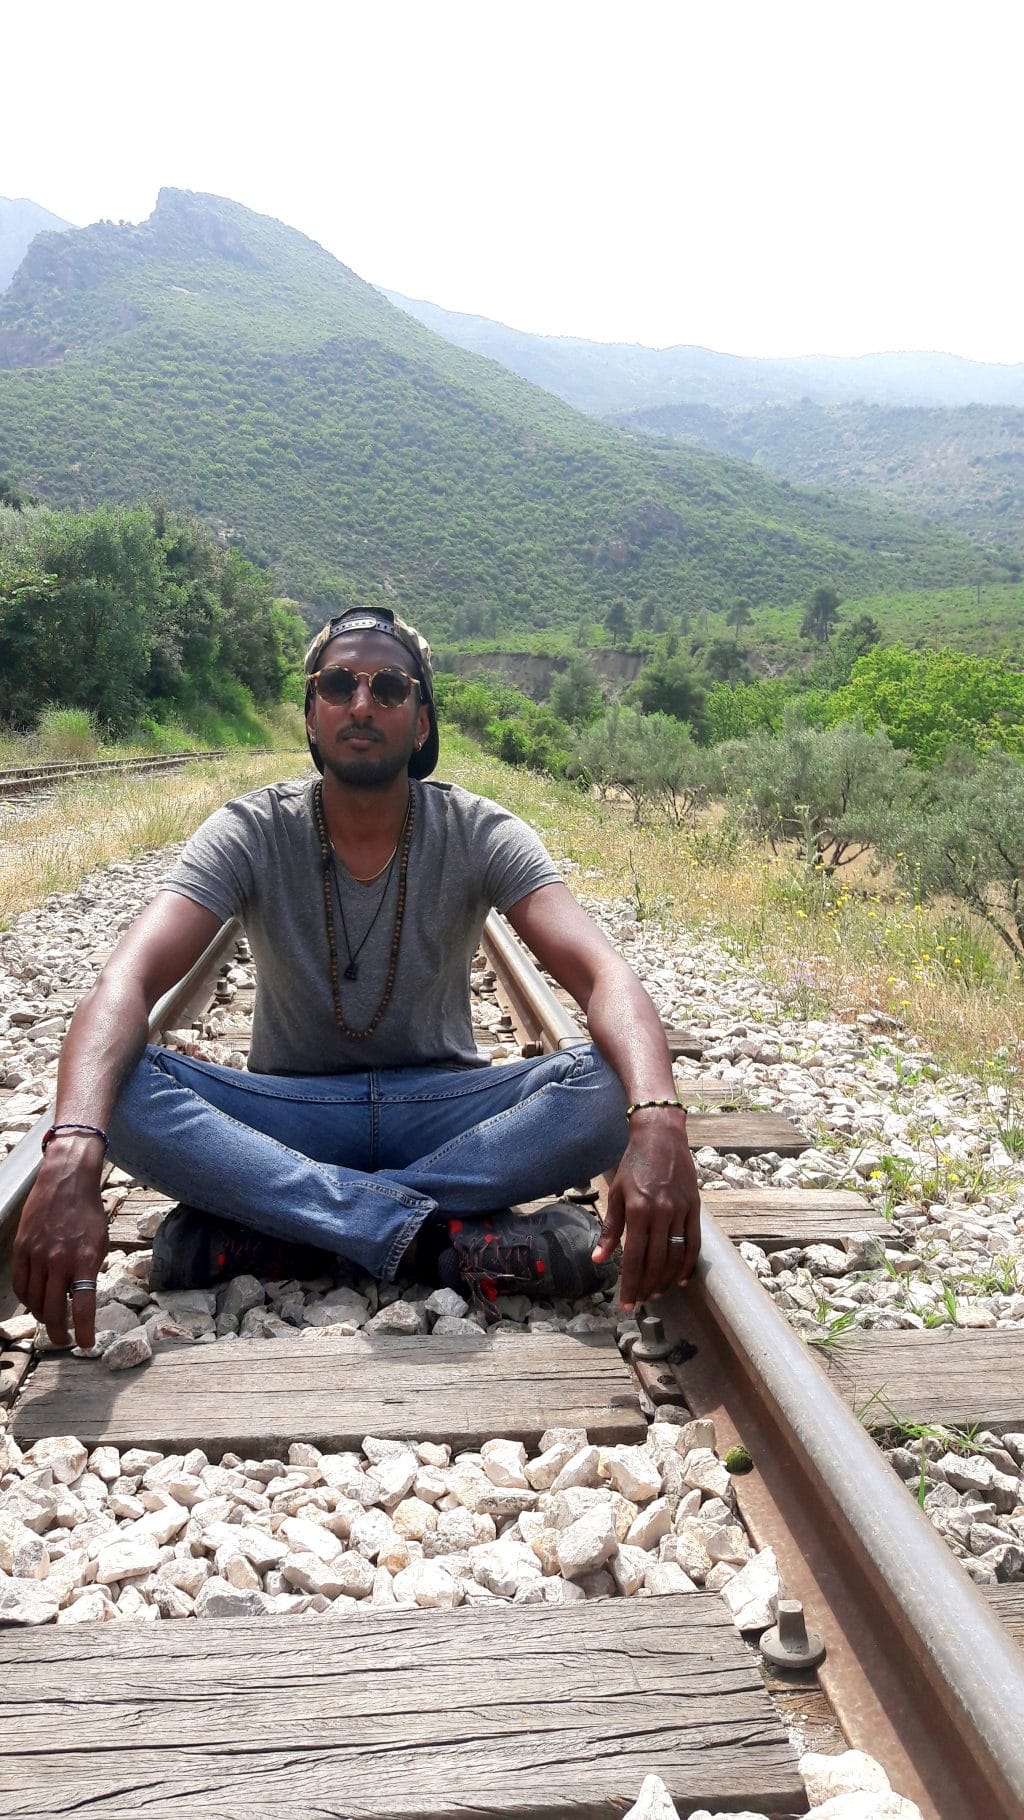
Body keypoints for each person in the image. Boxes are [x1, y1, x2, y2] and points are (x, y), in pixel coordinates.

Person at [13, 608, 700, 1353]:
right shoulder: (250, 829)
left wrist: (660, 1119)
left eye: (390, 688)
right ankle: (432, 1234)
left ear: (422, 720)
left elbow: (605, 975)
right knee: (116, 1086)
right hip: (288, 1113)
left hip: (446, 1108)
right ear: (311, 716)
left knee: (610, 1083)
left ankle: (303, 1231)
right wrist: (73, 1146)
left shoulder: (480, 829)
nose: (362, 704)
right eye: (338, 684)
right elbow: (126, 981)